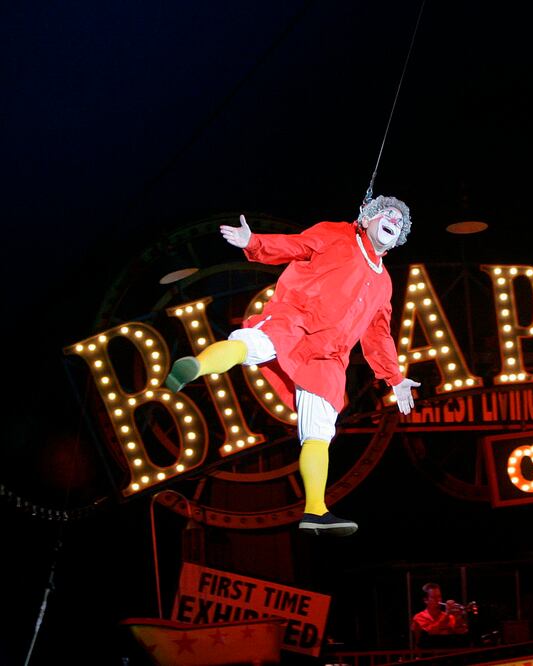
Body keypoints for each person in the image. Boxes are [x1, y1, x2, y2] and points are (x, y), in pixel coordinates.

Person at [164, 195, 421, 536]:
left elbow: (378, 333)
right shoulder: (337, 234)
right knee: (253, 345)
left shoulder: (384, 282)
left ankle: (315, 510)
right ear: (368, 216)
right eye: (387, 213)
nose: (394, 221)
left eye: (400, 222)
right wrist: (253, 243)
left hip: (327, 356)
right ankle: (195, 367)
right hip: (295, 320)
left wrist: (394, 377)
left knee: (320, 430)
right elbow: (296, 245)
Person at [411, 583, 469, 650]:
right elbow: (431, 632)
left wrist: (458, 617)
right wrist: (447, 614)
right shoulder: (419, 617)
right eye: (434, 597)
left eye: (439, 596)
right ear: (425, 600)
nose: (438, 600)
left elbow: (461, 632)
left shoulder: (449, 617)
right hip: (427, 654)